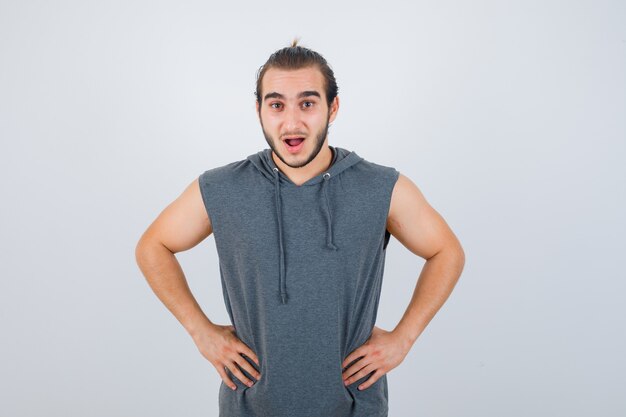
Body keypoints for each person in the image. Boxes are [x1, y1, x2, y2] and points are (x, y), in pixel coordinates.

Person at [135, 39, 465, 417]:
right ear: (259, 110)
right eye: (277, 105)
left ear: (332, 107)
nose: (292, 122)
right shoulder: (221, 188)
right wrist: (200, 331)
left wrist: (404, 338)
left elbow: (446, 252)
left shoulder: (381, 187)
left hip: (354, 406)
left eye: (307, 103)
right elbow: (153, 246)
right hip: (251, 406)